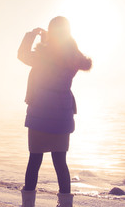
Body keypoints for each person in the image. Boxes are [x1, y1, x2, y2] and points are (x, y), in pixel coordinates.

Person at [17, 16, 92, 207]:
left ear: (51, 32)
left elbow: (22, 54)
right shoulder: (72, 58)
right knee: (60, 162)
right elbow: (85, 62)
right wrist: (69, 43)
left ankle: (28, 205)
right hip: (61, 114)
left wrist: (33, 35)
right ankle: (65, 205)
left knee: (34, 160)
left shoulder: (42, 56)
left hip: (40, 113)